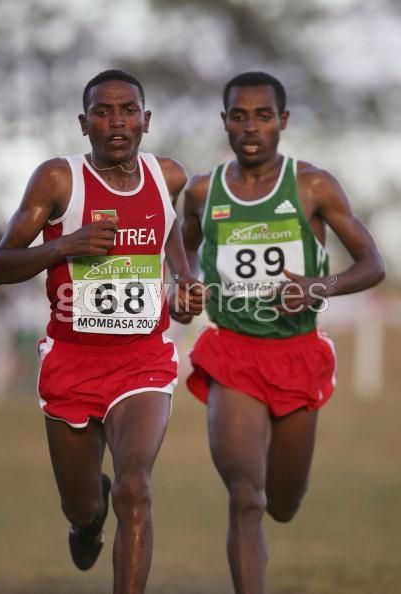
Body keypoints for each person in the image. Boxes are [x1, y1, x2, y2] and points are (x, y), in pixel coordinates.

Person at [0, 69, 206, 594]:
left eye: (128, 110)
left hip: (143, 359)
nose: (117, 122)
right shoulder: (58, 180)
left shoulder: (168, 176)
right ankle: (86, 520)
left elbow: (168, 226)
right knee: (84, 502)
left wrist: (183, 280)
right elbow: (2, 264)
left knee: (135, 488)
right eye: (103, 112)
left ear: (146, 120)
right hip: (72, 361)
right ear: (83, 122)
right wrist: (66, 245)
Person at [180, 71, 385, 594]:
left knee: (284, 504)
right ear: (224, 121)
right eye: (239, 115)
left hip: (296, 352)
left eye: (263, 116)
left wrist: (319, 286)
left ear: (283, 121)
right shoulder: (204, 191)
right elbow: (180, 249)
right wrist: (183, 291)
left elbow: (372, 263)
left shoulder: (314, 185)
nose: (251, 127)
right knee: (247, 497)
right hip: (232, 352)